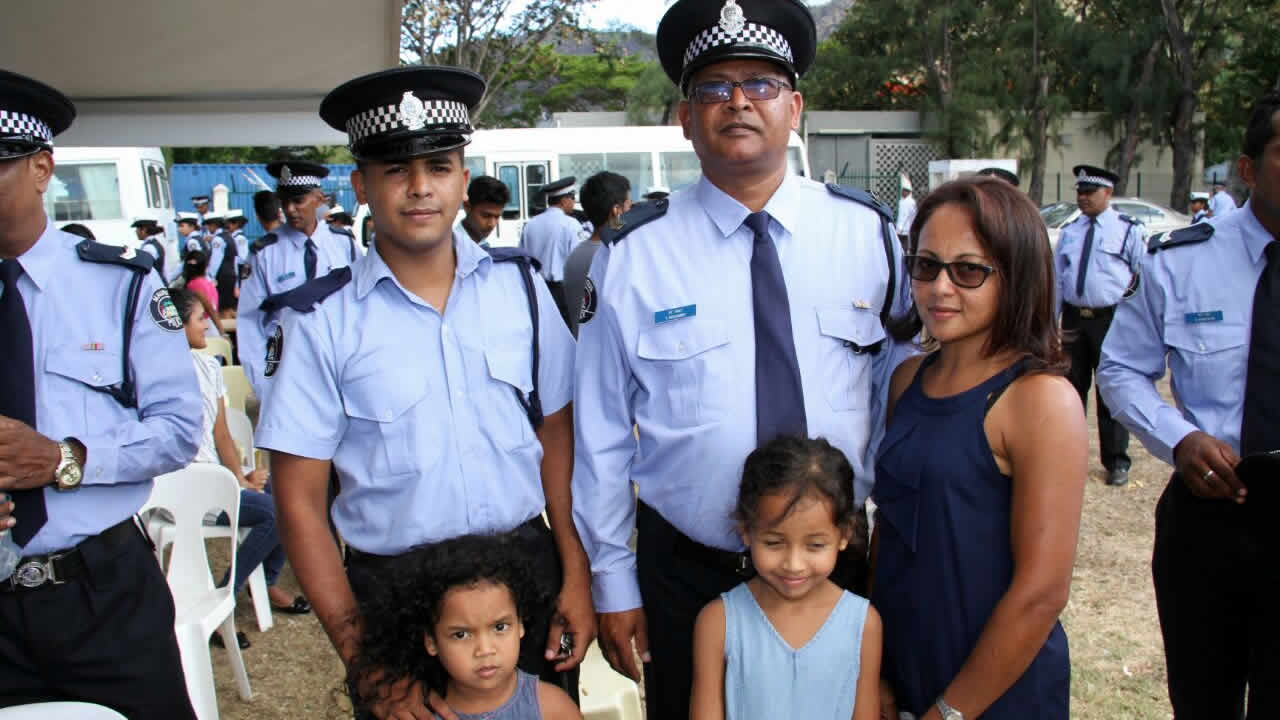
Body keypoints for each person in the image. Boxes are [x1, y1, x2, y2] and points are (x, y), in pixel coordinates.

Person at [571, 2, 911, 717]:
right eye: (712, 87)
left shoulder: (867, 236)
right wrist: (613, 581)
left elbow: (900, 397)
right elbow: (600, 434)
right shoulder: (633, 255)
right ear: (684, 118)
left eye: (760, 83)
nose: (737, 101)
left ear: (795, 108)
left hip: (833, 563)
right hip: (688, 573)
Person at [258, 66, 593, 720]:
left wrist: (575, 576)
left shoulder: (522, 289)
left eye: (439, 166)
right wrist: (364, 659)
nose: (419, 187)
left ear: (463, 179)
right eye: (394, 170)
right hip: (396, 594)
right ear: (361, 186)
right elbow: (298, 501)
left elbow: (558, 437)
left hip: (523, 574)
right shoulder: (320, 322)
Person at [0, 69, 200, 717]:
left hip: (101, 593)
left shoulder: (121, 286)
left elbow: (178, 432)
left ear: (41, 168)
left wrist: (65, 459)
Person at [875, 176, 1086, 720]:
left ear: (1016, 275)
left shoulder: (1041, 400)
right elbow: (891, 534)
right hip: (905, 669)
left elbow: (1041, 592)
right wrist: (875, 669)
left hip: (996, 691)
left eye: (968, 270)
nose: (940, 288)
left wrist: (950, 712)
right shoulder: (907, 381)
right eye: (926, 265)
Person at [1097, 92, 1280, 719]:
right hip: (1212, 517)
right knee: (1204, 703)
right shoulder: (1183, 260)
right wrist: (1179, 439)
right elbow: (1121, 368)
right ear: (1248, 169)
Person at [690, 436, 881, 720]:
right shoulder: (718, 622)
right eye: (774, 543)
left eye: (815, 545)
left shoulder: (864, 624)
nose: (794, 565)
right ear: (746, 531)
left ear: (844, 535)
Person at [171, 289, 310, 624]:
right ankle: (226, 595)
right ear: (177, 325)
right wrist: (233, 483)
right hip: (184, 489)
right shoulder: (156, 377)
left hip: (215, 478)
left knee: (289, 494)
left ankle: (267, 581)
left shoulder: (208, 366)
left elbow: (221, 434)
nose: (208, 326)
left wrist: (239, 477)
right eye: (200, 319)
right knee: (274, 513)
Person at [348, 533, 582, 720]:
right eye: (461, 634)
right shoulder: (419, 715)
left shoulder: (553, 709)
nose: (485, 650)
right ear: (431, 641)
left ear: (520, 624)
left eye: (500, 627)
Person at [1055, 164, 1144, 487]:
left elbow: (1142, 276)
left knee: (1110, 390)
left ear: (1108, 193)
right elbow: (1057, 279)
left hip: (1110, 319)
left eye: (1089, 192)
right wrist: (1051, 322)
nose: (1083, 197)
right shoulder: (1070, 231)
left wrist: (1136, 323)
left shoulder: (1128, 230)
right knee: (1070, 390)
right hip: (1074, 320)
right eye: (1080, 192)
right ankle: (1068, 456)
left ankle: (1116, 460)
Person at [236, 159, 356, 395]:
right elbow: (250, 322)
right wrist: (264, 386)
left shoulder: (344, 244)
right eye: (284, 201)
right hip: (287, 372)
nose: (290, 209)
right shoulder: (265, 253)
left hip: (339, 368)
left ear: (318, 198)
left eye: (298, 200)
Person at [562, 171, 631, 338]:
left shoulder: (575, 256)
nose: (632, 215)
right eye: (629, 207)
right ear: (617, 211)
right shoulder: (616, 256)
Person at [519, 175, 580, 318]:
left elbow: (523, 258)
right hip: (563, 293)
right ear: (564, 200)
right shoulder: (571, 224)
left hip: (537, 290)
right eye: (572, 198)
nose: (574, 202)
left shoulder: (530, 224)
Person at [457, 175, 511, 249]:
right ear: (467, 207)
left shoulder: (489, 245)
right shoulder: (449, 248)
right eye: (486, 216)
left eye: (497, 217)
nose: (492, 224)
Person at [132, 217, 168, 284]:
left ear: (144, 230)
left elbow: (145, 267)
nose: (136, 232)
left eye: (137, 229)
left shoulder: (149, 247)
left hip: (155, 283)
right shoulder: (154, 243)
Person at [896, 185, 917, 249]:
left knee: (906, 245)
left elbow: (909, 215)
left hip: (906, 227)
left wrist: (902, 226)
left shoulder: (911, 202)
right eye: (903, 190)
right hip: (900, 227)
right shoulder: (901, 201)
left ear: (908, 192)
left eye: (905, 191)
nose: (903, 192)